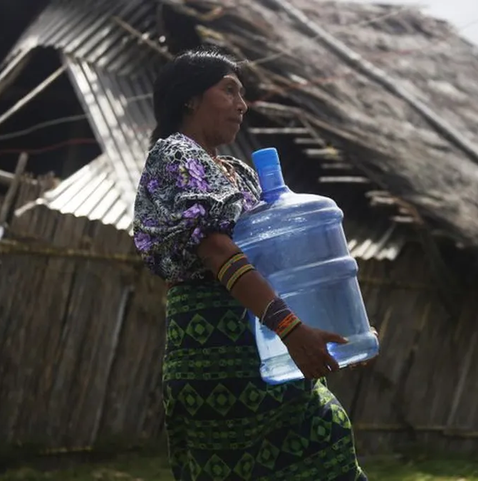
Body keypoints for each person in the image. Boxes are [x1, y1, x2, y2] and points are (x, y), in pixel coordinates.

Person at [133, 46, 369, 480]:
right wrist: (292, 328)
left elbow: (277, 258)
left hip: (266, 342)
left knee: (328, 446)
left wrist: (339, 322)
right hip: (217, 354)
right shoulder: (175, 154)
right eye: (229, 91)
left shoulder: (240, 173)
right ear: (189, 99)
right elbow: (218, 251)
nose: (242, 104)